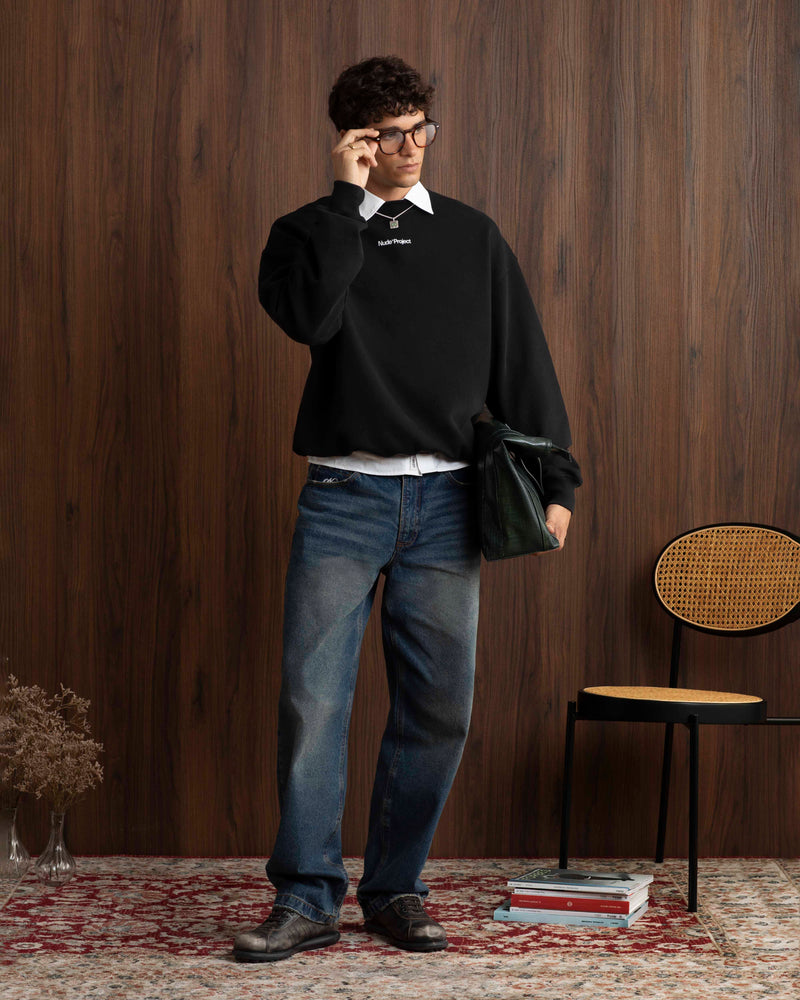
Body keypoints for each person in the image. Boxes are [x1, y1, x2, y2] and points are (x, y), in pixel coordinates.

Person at [233, 55, 581, 963]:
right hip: (342, 498)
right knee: (313, 703)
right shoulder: (306, 233)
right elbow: (309, 320)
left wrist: (559, 482)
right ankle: (306, 898)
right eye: (388, 134)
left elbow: (523, 362)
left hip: (451, 500)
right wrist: (346, 204)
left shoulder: (472, 236)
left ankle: (394, 890)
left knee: (439, 708)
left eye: (420, 127)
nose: (411, 147)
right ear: (352, 141)